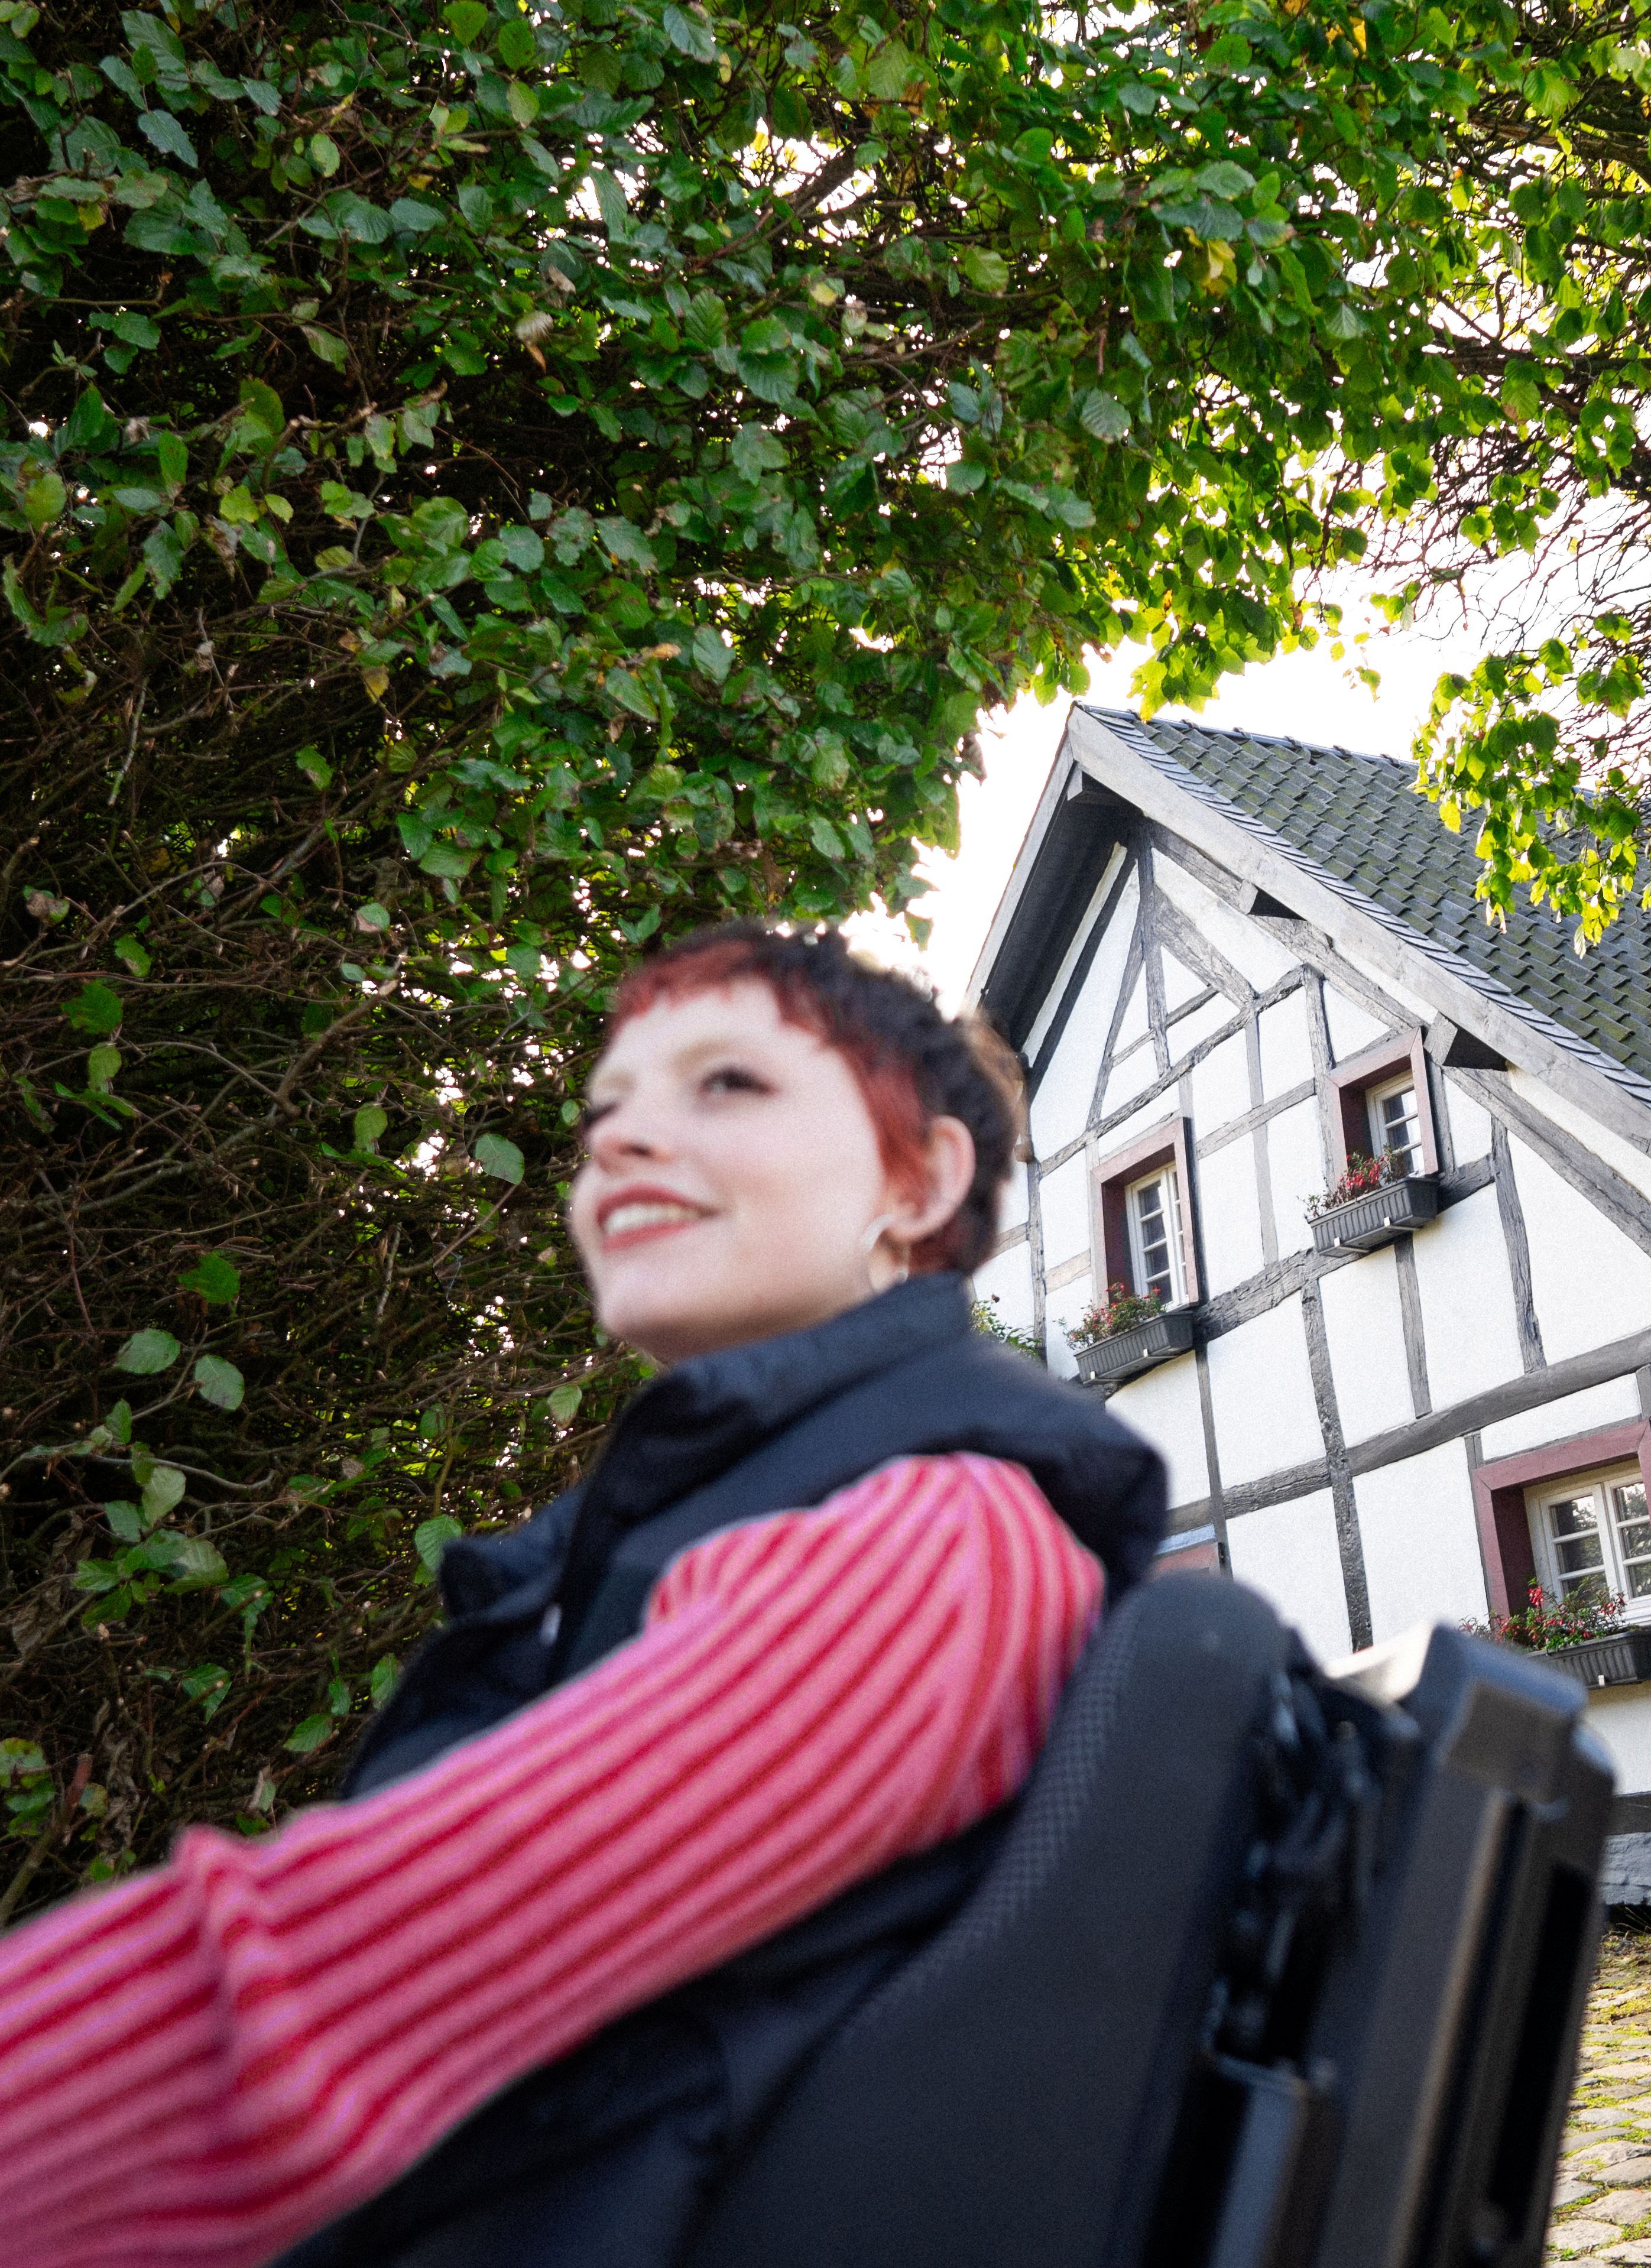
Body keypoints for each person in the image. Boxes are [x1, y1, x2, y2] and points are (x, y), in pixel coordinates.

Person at [0, 923, 1166, 2268]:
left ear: (921, 1180)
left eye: (727, 1085)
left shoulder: (932, 1552)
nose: (617, 1139)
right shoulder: (738, 1518)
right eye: (608, 1106)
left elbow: (332, 1994)